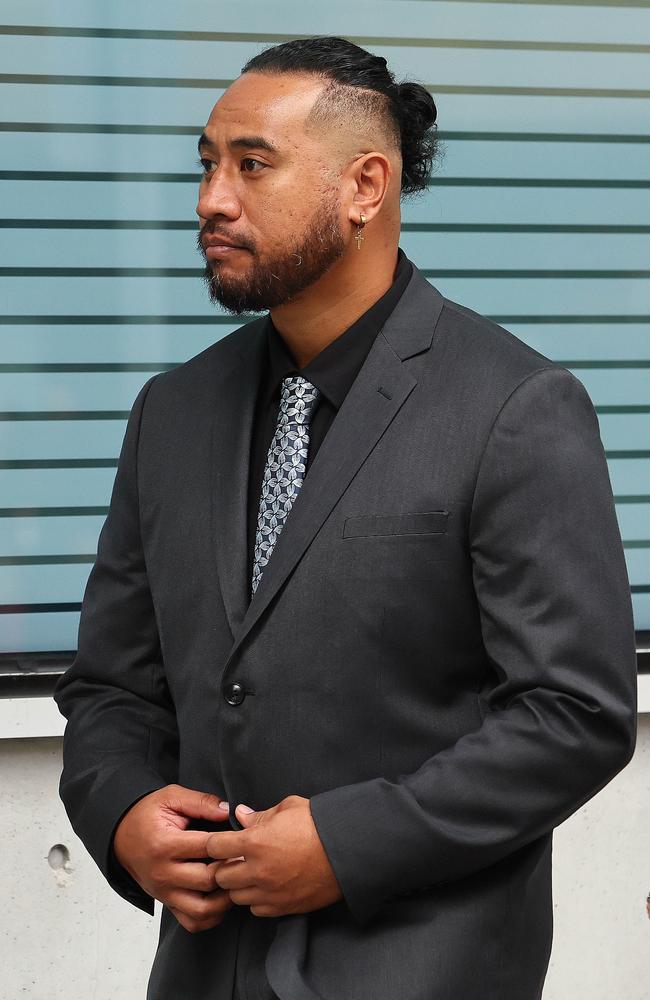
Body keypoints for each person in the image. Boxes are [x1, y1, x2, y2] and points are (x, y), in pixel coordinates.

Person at [53, 35, 638, 1000]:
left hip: (420, 965)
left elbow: (572, 712)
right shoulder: (174, 411)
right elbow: (113, 682)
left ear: (367, 186)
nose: (211, 199)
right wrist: (122, 810)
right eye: (207, 163)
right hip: (202, 971)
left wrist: (345, 843)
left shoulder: (513, 408)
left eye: (252, 164)